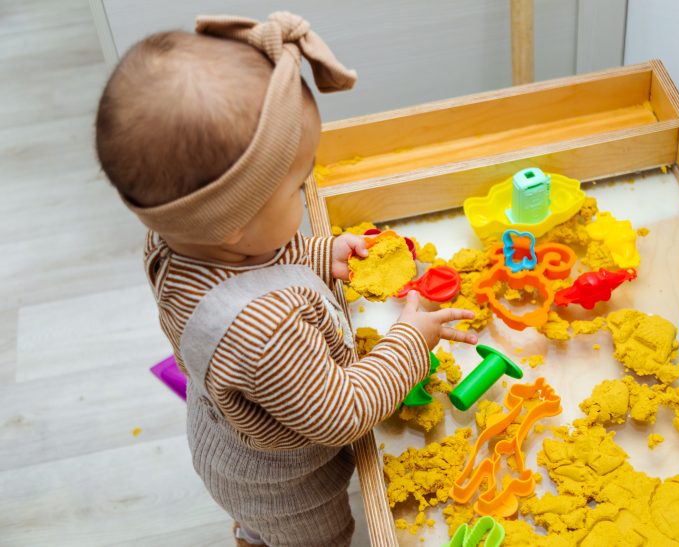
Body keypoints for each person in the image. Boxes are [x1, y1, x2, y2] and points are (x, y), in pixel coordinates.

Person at [94, 11, 476, 546]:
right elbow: (343, 413)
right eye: (298, 186)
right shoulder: (267, 330)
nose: (306, 192)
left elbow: (252, 259)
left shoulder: (172, 242)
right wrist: (409, 342)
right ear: (234, 223)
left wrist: (320, 254)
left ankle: (255, 532)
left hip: (223, 431)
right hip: (287, 484)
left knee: (260, 521)